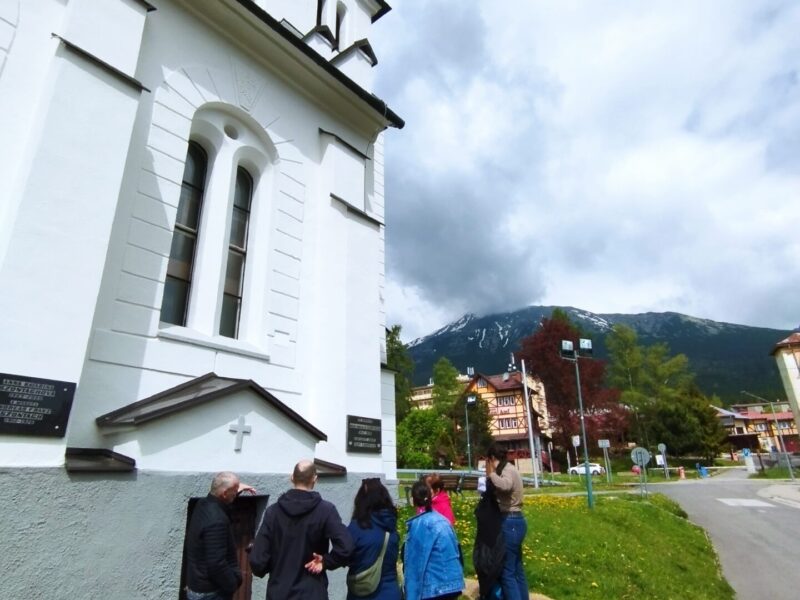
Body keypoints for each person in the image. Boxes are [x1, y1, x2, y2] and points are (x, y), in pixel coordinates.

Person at [249, 460, 353, 599]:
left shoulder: (273, 512)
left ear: (292, 477)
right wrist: (326, 561)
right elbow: (346, 547)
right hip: (312, 592)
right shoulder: (326, 510)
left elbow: (258, 562)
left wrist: (275, 563)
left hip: (279, 592)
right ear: (315, 479)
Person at [185, 471, 256, 600]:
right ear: (224, 493)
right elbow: (216, 564)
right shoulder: (217, 521)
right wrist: (233, 583)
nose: (236, 493)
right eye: (234, 491)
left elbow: (223, 506)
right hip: (210, 593)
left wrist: (237, 490)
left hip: (197, 586)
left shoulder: (203, 504)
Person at [403, 481, 464, 600]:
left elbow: (415, 565)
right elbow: (458, 550)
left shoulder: (419, 525)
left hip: (435, 587)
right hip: (453, 583)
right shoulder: (444, 521)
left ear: (413, 500)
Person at [345, 478, 402, 600]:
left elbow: (344, 555)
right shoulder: (391, 527)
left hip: (363, 594)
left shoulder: (357, 527)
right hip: (391, 592)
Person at [486, 444, 528, 600]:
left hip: (510, 521)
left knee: (507, 572)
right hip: (517, 521)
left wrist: (491, 475)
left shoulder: (506, 470)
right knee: (517, 568)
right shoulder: (510, 468)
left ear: (491, 459)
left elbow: (506, 485)